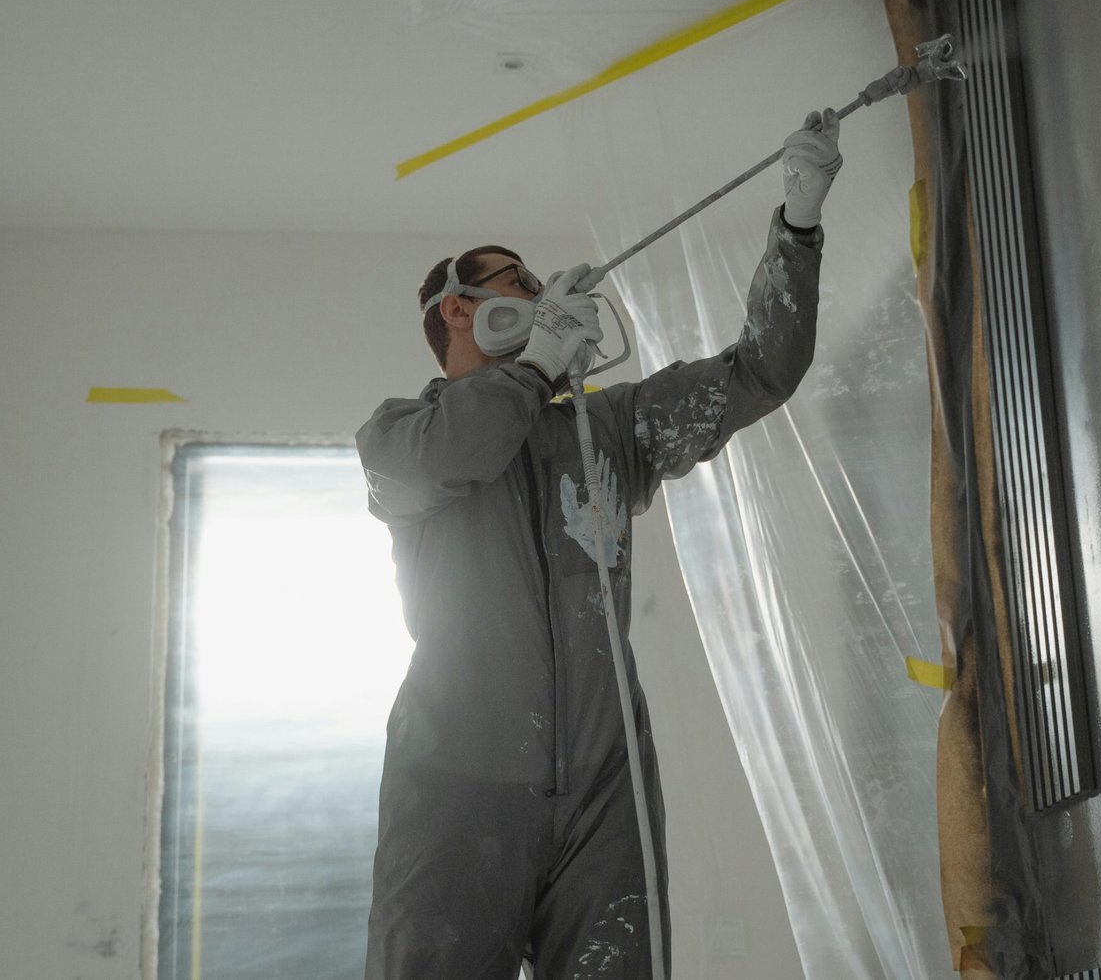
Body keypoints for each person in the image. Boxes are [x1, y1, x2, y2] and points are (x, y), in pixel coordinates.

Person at [357, 110, 843, 979]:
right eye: (521, 284)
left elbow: (760, 372)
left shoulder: (607, 429)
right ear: (460, 309)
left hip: (602, 784)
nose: (546, 298)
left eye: (547, 288)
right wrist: (533, 366)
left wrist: (798, 226)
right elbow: (464, 451)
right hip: (458, 783)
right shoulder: (402, 438)